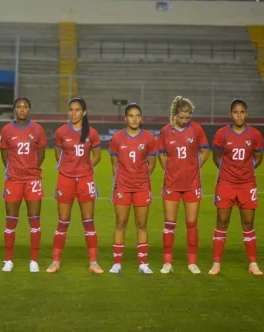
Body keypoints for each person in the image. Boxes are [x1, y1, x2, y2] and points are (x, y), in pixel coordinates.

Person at [46, 97, 103, 274]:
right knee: (63, 221)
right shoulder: (61, 132)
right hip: (66, 179)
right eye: (71, 109)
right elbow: (58, 154)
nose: (73, 113)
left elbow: (97, 155)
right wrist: (68, 168)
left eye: (77, 110)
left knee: (88, 221)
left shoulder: (91, 133)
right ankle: (55, 262)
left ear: (84, 112)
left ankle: (93, 263)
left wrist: (86, 169)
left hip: (85, 180)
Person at [209, 99, 264, 275]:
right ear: (230, 114)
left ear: (246, 113)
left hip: (247, 185)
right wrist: (228, 173)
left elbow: (259, 156)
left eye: (242, 112)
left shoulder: (255, 135)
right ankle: (216, 264)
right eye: (235, 112)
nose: (238, 115)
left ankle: (253, 264)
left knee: (248, 223)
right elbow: (216, 157)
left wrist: (246, 171)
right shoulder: (222, 134)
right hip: (226, 184)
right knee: (222, 222)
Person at [158, 96, 209, 275]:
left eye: (188, 117)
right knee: (169, 224)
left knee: (191, 223)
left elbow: (205, 151)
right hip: (172, 184)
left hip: (192, 184)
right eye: (181, 117)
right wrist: (168, 169)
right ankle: (167, 262)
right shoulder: (165, 131)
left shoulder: (196, 130)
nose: (185, 120)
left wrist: (195, 167)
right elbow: (161, 154)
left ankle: (192, 262)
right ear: (175, 115)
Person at [108, 103, 158, 274]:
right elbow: (114, 165)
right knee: (120, 223)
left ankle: (143, 263)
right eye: (131, 116)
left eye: (137, 115)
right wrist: (123, 179)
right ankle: (117, 263)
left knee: (142, 224)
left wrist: (140, 177)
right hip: (122, 186)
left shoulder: (149, 138)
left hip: (142, 187)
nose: (134, 119)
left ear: (141, 118)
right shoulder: (117, 138)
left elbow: (152, 165)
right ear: (125, 118)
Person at [0, 97, 46, 273]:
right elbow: (4, 156)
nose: (22, 109)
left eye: (25, 107)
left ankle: (34, 260)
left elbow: (41, 154)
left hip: (33, 179)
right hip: (14, 180)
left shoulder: (37, 129)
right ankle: (8, 260)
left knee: (34, 220)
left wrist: (31, 169)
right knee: (11, 220)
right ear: (14, 109)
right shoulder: (6, 130)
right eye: (19, 107)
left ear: (29, 109)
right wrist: (15, 170)